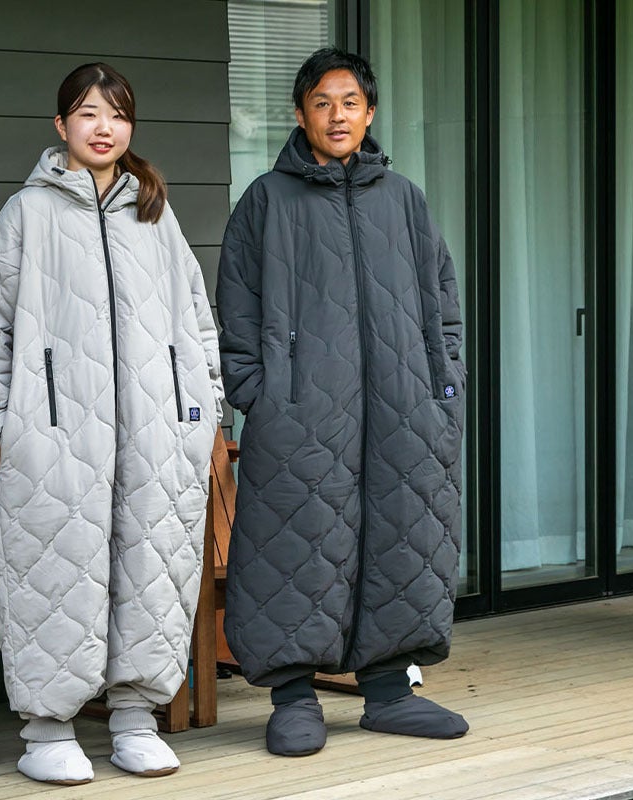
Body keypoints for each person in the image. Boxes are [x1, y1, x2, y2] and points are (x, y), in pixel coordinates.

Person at [0, 62, 223, 785]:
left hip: (158, 434)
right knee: (52, 570)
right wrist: (9, 425)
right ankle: (47, 731)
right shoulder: (28, 213)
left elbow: (196, 318)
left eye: (117, 114)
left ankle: (136, 718)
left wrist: (202, 411)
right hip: (55, 439)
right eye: (87, 113)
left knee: (153, 569)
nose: (104, 128)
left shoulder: (155, 213)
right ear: (61, 126)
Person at [216, 47, 469, 757]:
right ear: (300, 114)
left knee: (405, 536)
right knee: (294, 543)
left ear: (370, 112)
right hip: (301, 411)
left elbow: (443, 301)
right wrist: (262, 396)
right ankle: (294, 696)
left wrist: (443, 384)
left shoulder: (404, 199)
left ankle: (389, 691)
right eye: (322, 103)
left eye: (350, 102)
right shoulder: (268, 200)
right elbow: (235, 309)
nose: (337, 115)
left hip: (405, 406)